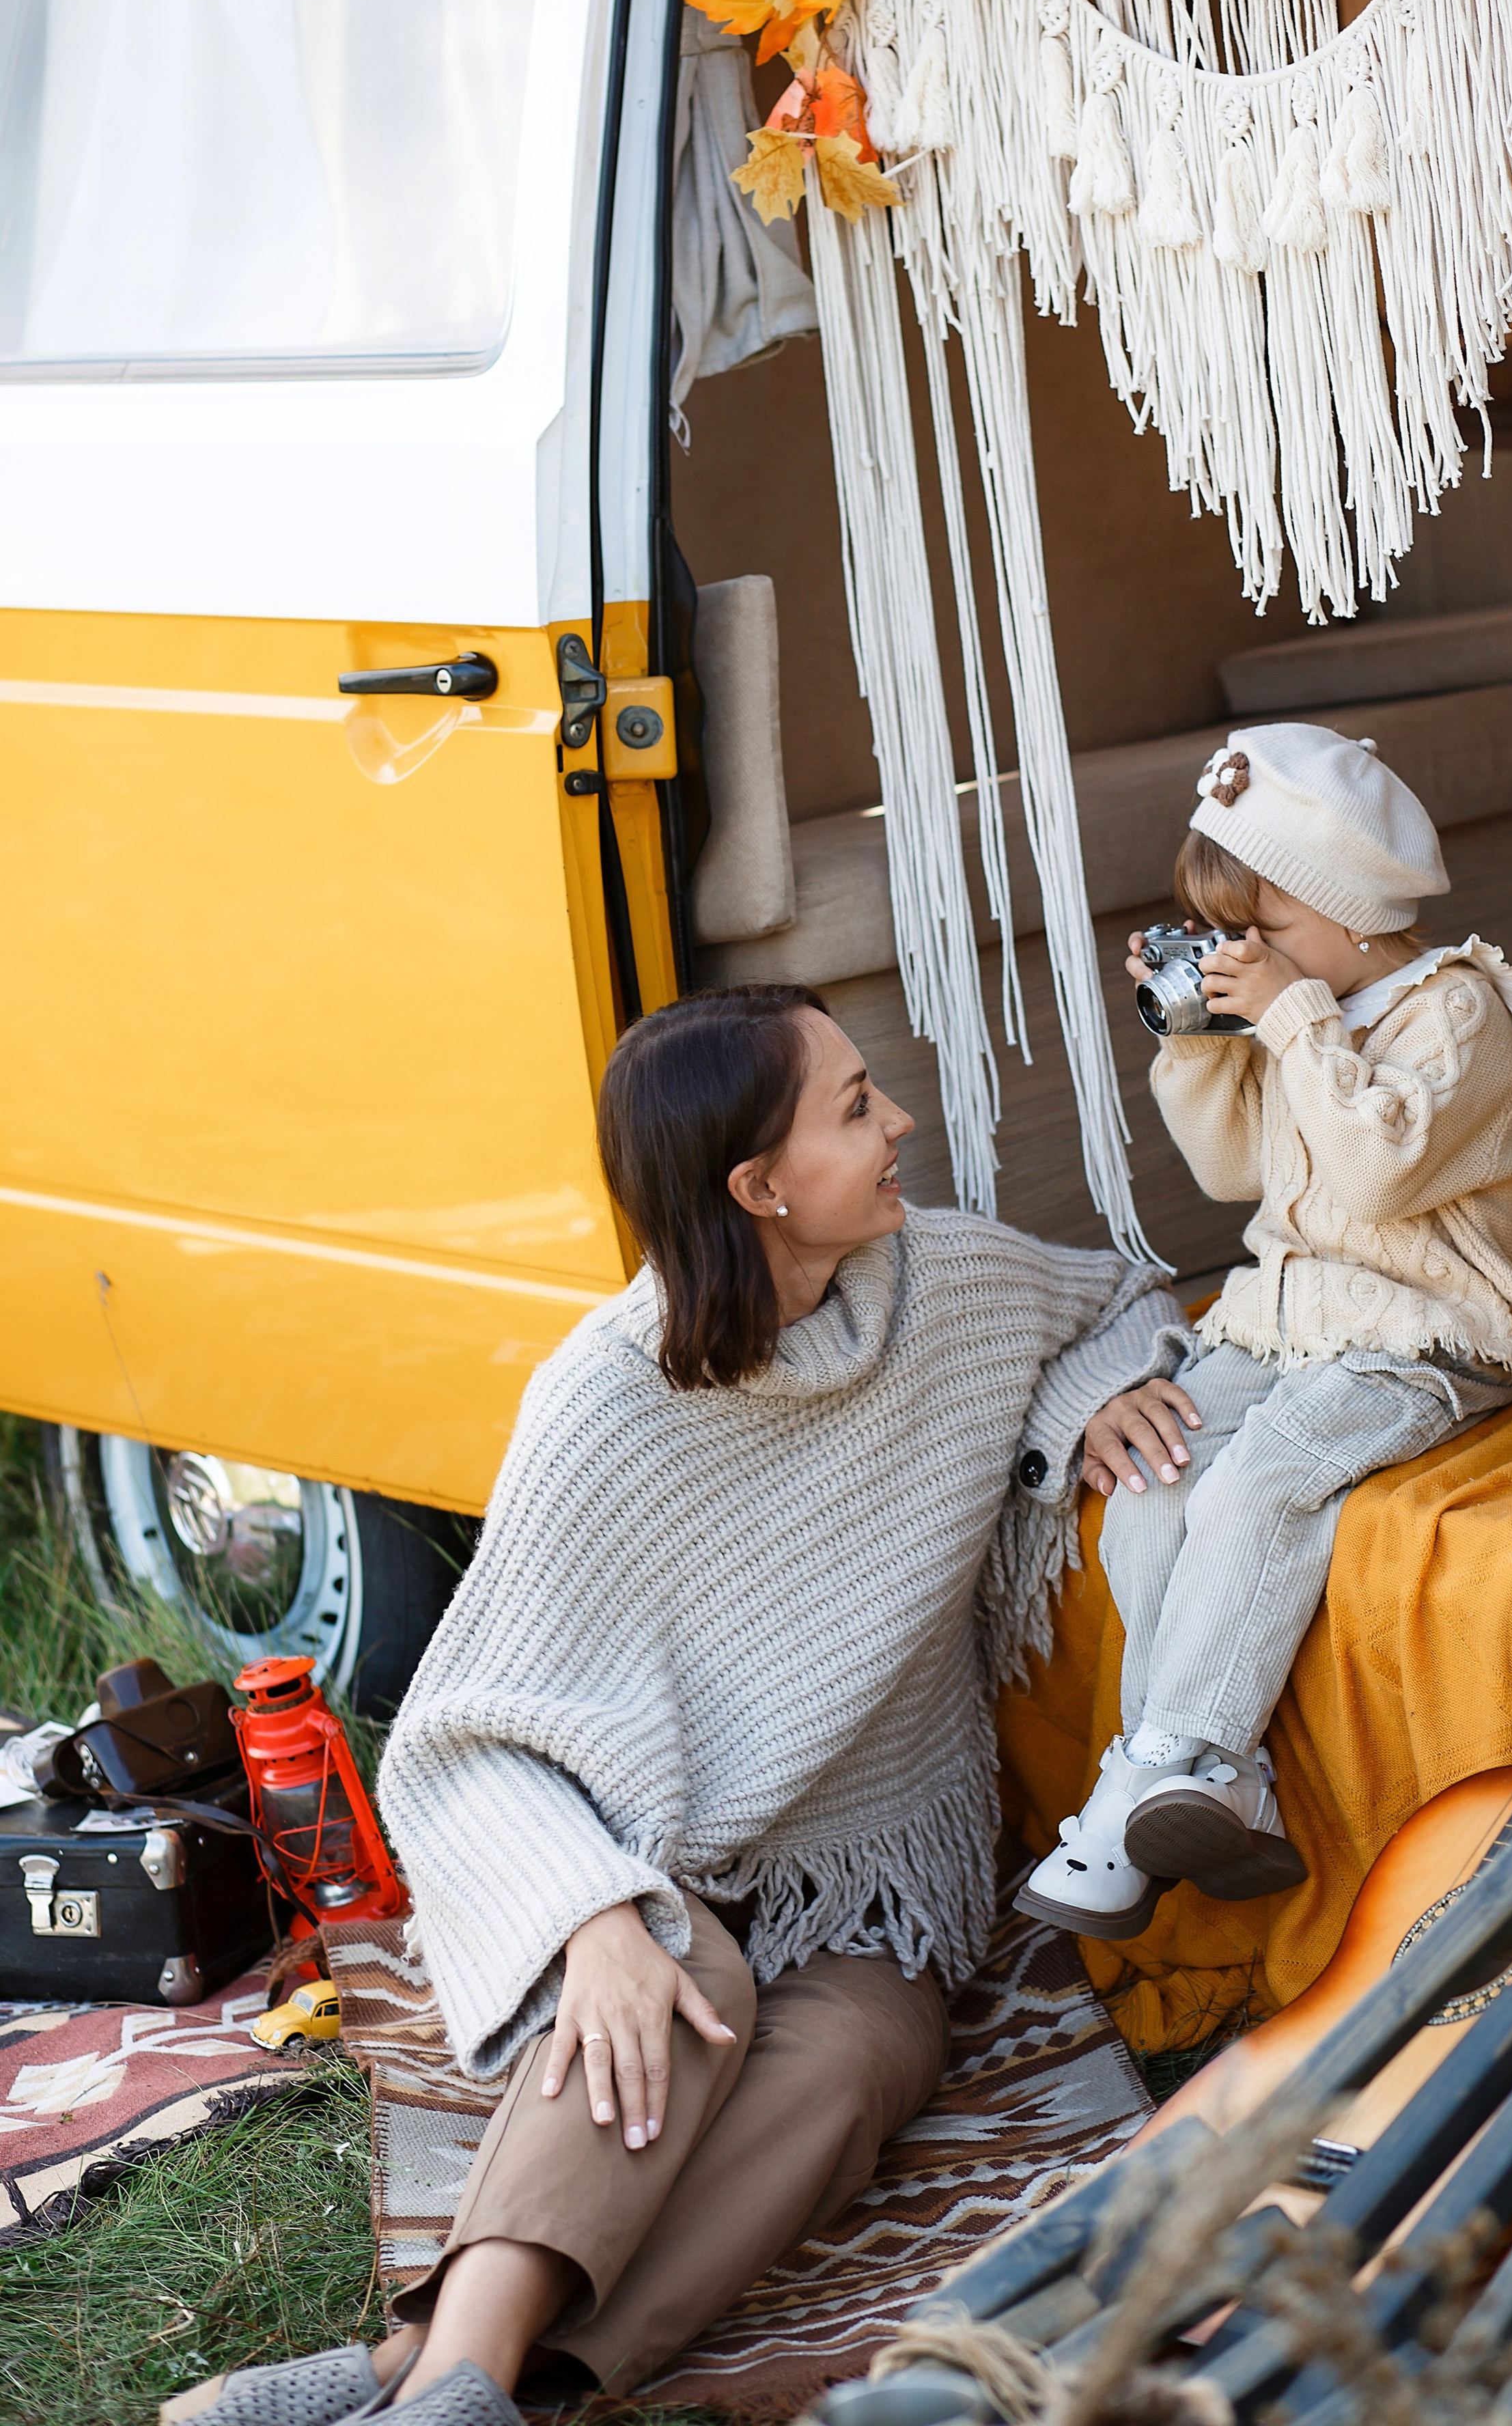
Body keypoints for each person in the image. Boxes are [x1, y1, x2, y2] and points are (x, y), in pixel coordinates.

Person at [167, 984, 1194, 2426]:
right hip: (639, 1854)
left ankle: (459, 2386)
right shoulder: (605, 1402)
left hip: (871, 1881)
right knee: (676, 1981)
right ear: (760, 1188)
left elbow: (1120, 1301)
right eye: (854, 1106)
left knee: (856, 2063)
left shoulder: (956, 1290)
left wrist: (1077, 1402)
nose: (898, 1122)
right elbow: (467, 1734)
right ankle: (459, 2377)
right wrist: (590, 1915)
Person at [1019, 723, 1512, 1940]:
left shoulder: (1455, 1008)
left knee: (1263, 1482)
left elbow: (1378, 1176)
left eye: (1260, 928)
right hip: (1281, 1315)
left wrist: (1295, 1022)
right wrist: (1198, 1038)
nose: (1241, 955)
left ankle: (1171, 1772)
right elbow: (1234, 1172)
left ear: (1348, 906)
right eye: (1222, 934)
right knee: (1161, 1485)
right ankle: (1205, 1784)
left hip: (1425, 1329)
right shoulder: (1296, 1009)